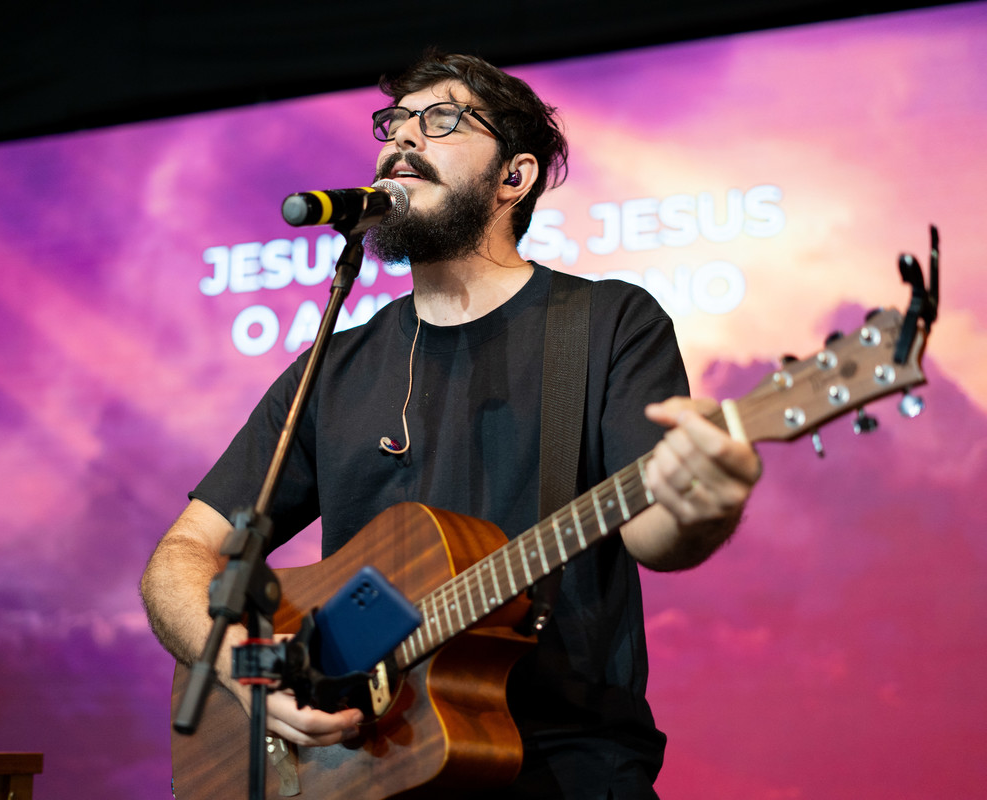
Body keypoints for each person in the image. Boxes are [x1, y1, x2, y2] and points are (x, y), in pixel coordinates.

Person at [140, 51, 761, 799]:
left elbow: (658, 532)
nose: (402, 140)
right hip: (368, 769)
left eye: (442, 121)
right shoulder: (333, 366)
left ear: (514, 177)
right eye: (395, 123)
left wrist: (706, 503)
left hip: (563, 766)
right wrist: (248, 673)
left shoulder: (606, 324)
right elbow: (183, 555)